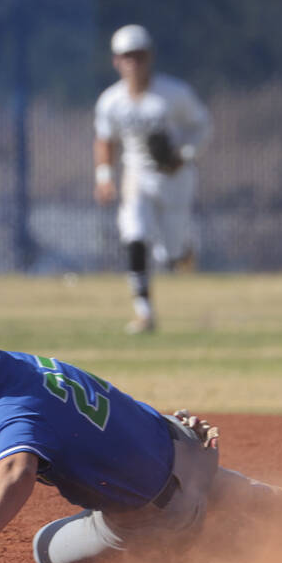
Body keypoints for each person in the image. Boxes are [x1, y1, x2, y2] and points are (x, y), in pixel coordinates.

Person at [0, 304, 282, 563]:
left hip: (158, 513)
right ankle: (251, 496)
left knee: (45, 547)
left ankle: (219, 539)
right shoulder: (9, 368)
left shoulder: (11, 407)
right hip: (185, 446)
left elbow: (16, 470)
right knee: (165, 475)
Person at [93, 24, 211, 335]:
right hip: (137, 174)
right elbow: (105, 140)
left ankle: (181, 252)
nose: (133, 62)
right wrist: (104, 176)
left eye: (139, 55)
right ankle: (144, 311)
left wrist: (184, 154)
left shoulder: (174, 93)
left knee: (171, 254)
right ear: (116, 61)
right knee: (135, 233)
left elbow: (202, 126)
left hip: (175, 176)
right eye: (126, 56)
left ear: (150, 57)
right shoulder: (111, 101)